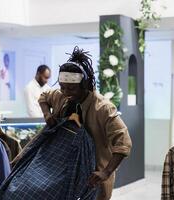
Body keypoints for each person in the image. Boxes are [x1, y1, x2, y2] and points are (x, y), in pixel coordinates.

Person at [38, 46, 132, 200]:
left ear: (85, 85)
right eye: (63, 87)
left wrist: (106, 172)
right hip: (62, 172)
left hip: (94, 177)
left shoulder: (103, 108)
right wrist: (47, 114)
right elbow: (44, 96)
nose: (66, 93)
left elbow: (124, 142)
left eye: (72, 89)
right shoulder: (61, 96)